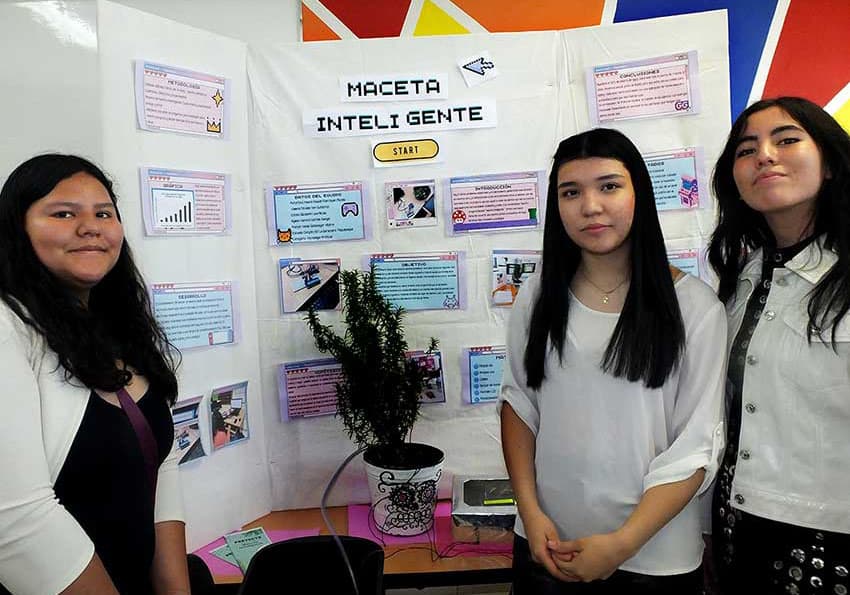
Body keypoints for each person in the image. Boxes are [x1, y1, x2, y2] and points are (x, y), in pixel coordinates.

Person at [500, 128, 727, 594]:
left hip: (654, 554)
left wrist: (623, 544)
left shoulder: (696, 307)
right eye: (571, 192)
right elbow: (520, 404)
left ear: (638, 193)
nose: (590, 206)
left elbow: (696, 446)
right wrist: (530, 511)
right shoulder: (540, 294)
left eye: (609, 186)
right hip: (548, 544)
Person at [0, 155, 190, 595]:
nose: (90, 226)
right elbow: (15, 520)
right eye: (63, 213)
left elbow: (161, 465)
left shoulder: (119, 331)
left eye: (103, 213)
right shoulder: (8, 328)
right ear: (16, 229)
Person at [708, 96, 850, 594]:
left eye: (786, 139)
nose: (765, 155)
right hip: (738, 524)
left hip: (831, 539)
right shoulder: (743, 276)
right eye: (747, 150)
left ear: (829, 162)